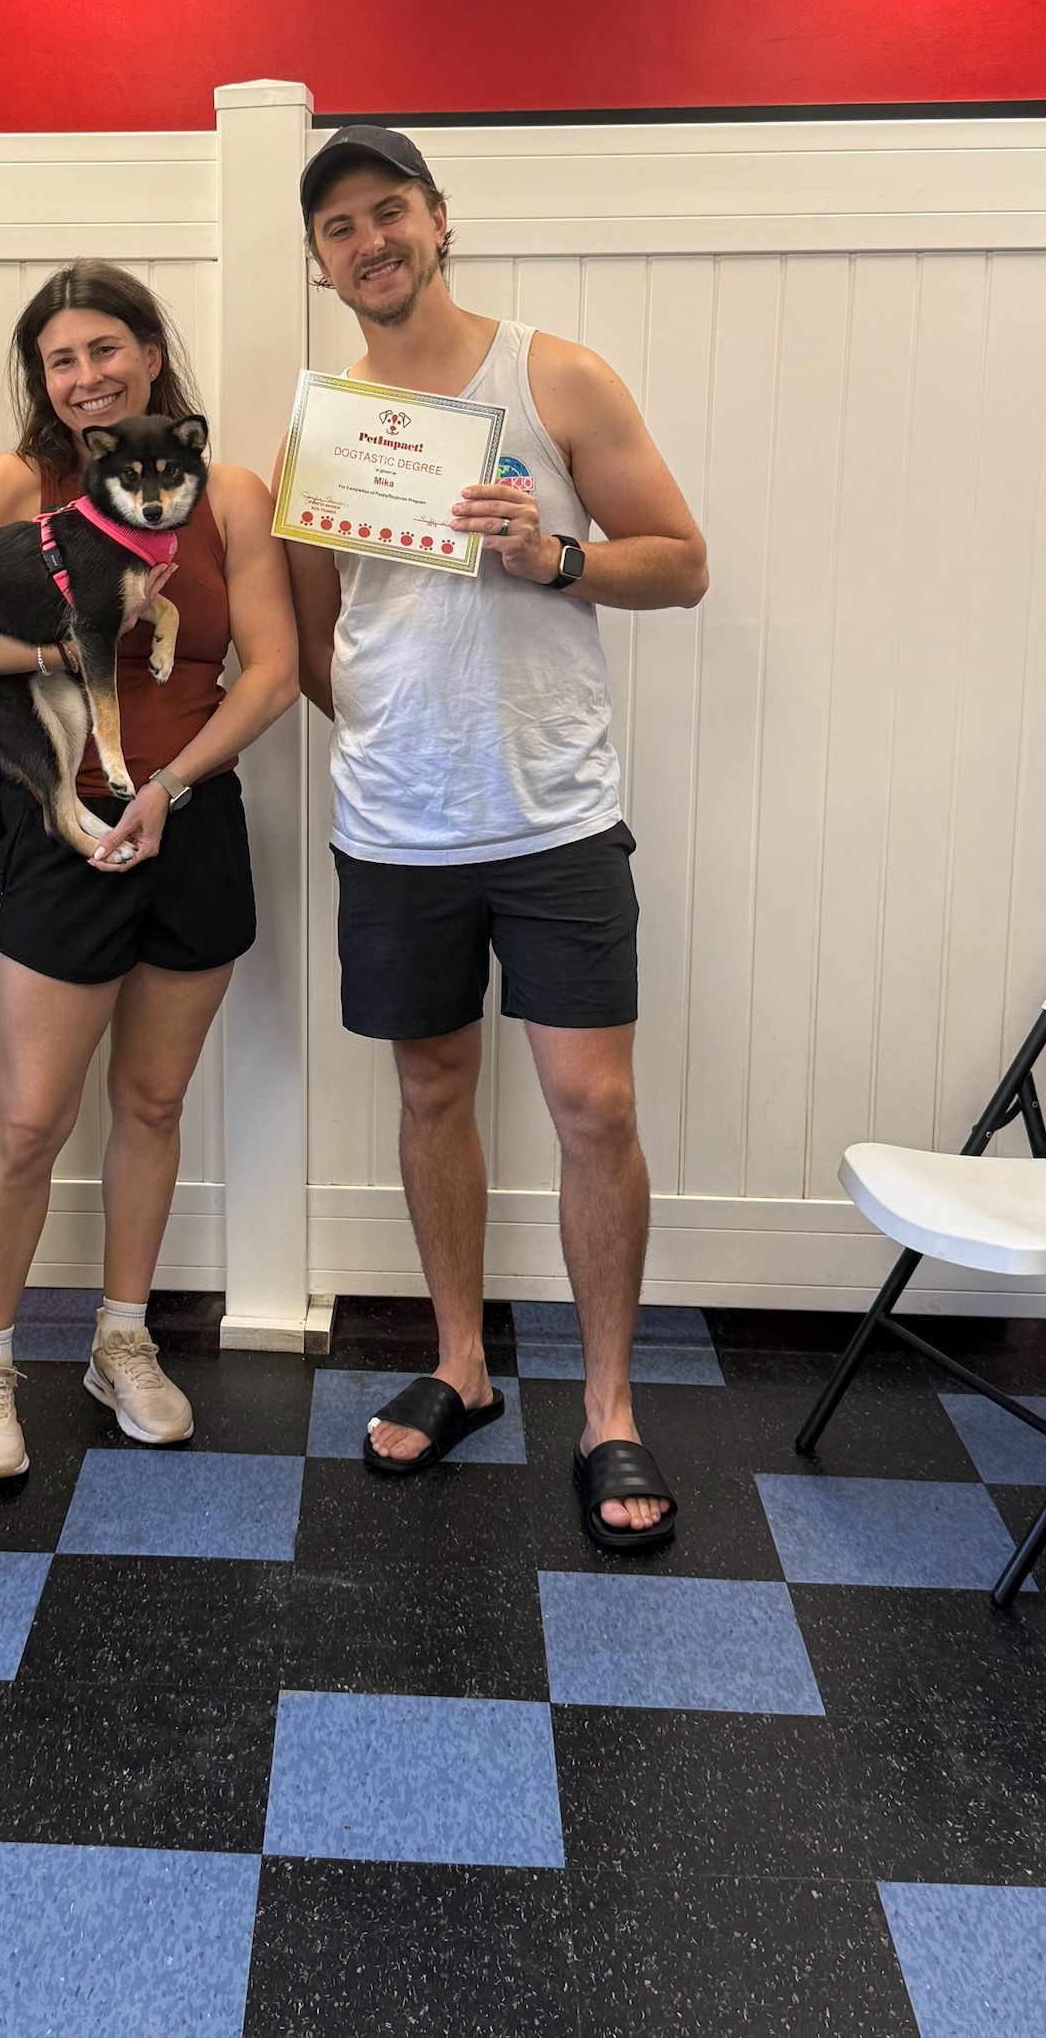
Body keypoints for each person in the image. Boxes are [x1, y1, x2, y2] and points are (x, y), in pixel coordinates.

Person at [284, 125, 709, 1551]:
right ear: (323, 258)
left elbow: (685, 561)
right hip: (397, 825)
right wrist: (396, 732)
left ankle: (607, 1409)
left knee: (596, 1109)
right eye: (341, 227)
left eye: (388, 212)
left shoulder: (553, 375)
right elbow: (309, 631)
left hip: (556, 817)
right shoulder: (322, 424)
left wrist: (558, 558)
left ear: (439, 220)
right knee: (430, 1094)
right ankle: (462, 1367)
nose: (371, 242)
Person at [0, 262, 297, 1479]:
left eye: (104, 349)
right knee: (26, 1119)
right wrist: (83, 630)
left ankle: (124, 1338)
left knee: (153, 1105)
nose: (84, 376)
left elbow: (268, 671)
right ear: (42, 381)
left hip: (191, 816)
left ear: (150, 355)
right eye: (59, 360)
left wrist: (169, 787)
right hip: (61, 823)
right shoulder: (20, 483)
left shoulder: (226, 491)